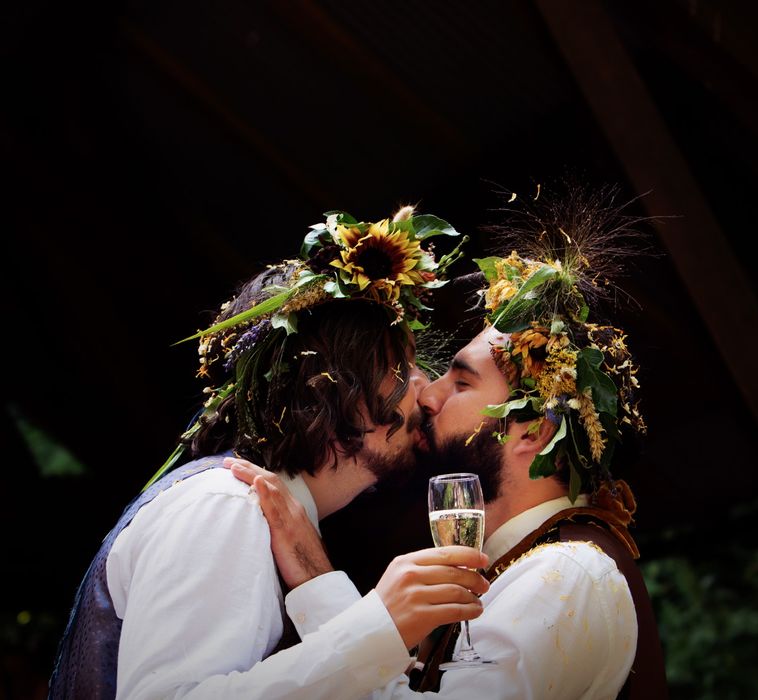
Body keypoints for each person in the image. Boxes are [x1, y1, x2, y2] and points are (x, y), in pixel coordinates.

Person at [230, 190, 669, 698]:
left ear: (534, 432)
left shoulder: (568, 571)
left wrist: (315, 577)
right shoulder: (516, 565)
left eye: (460, 383)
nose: (428, 394)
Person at [48, 207, 490, 700]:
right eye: (399, 367)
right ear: (332, 384)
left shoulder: (259, 512)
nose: (426, 394)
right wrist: (373, 630)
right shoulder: (226, 504)